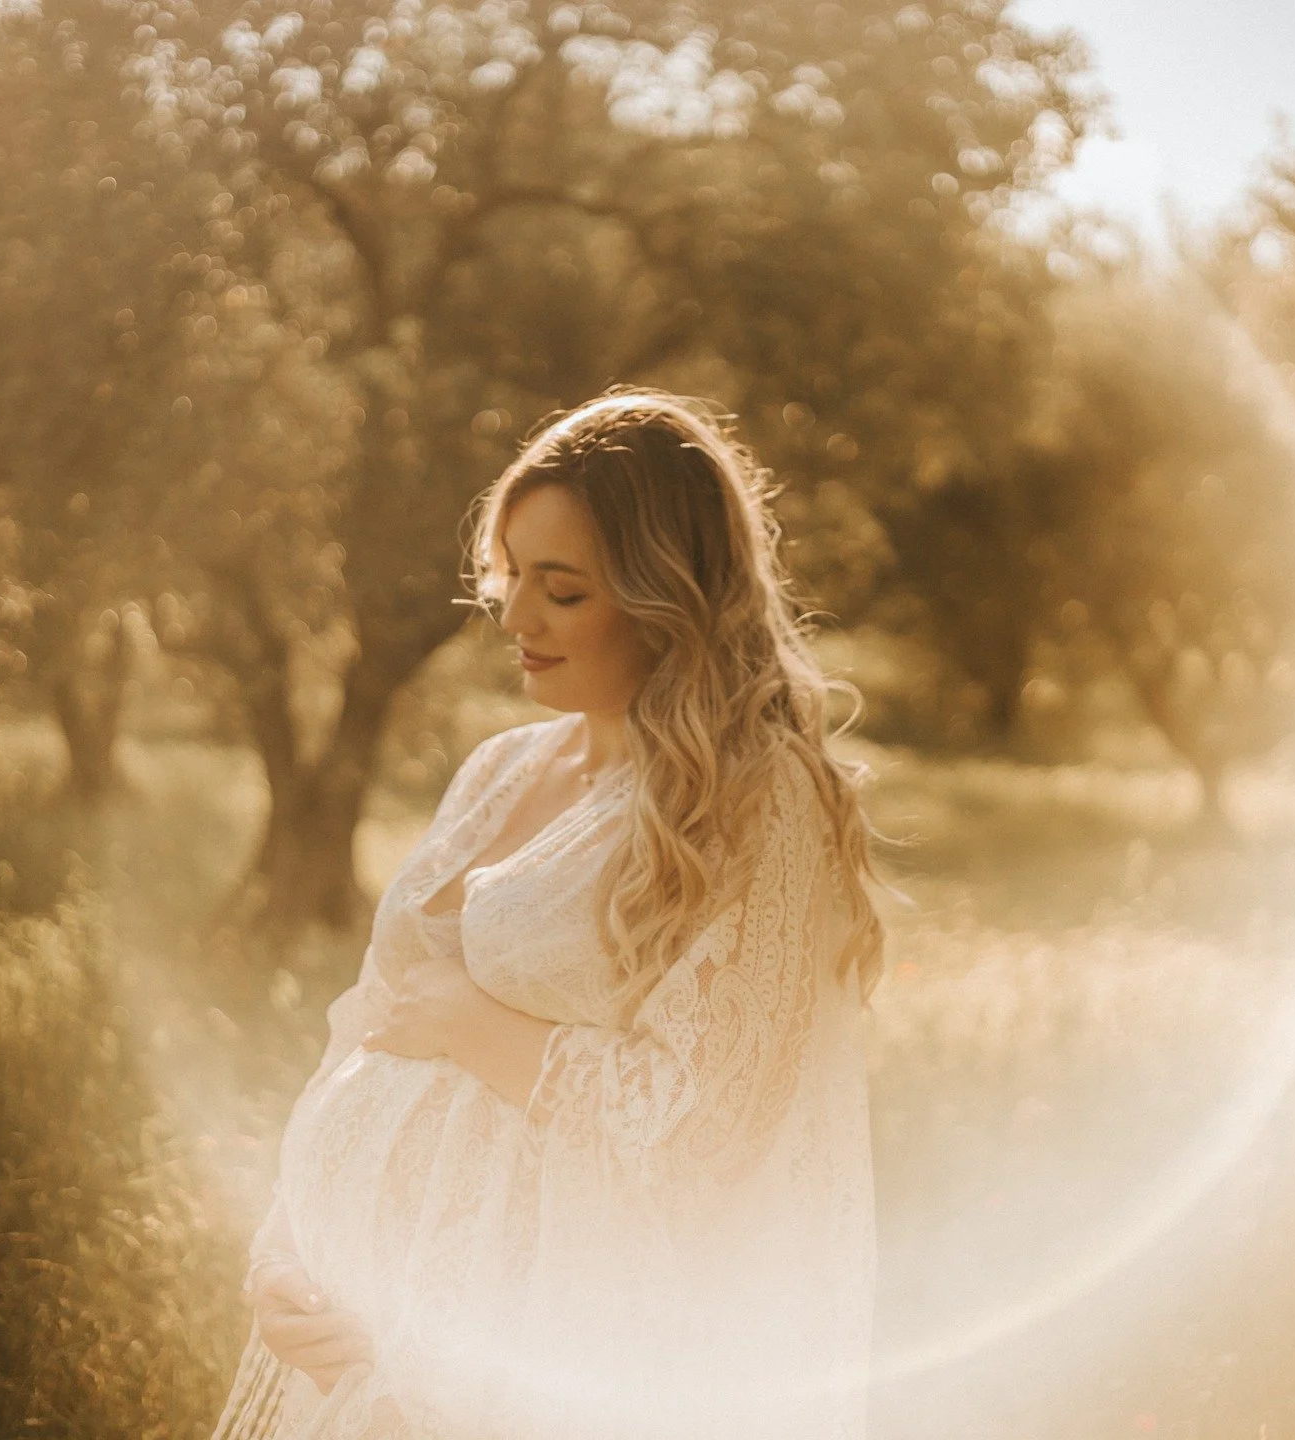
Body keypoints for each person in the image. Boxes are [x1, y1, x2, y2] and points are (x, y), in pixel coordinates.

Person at [211, 389, 885, 1440]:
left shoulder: (756, 802)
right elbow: (366, 1033)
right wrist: (288, 1258)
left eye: (561, 590)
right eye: (511, 574)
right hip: (362, 1333)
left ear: (672, 600)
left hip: (542, 1356)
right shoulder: (501, 768)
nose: (514, 617)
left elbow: (708, 1129)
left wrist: (475, 1030)